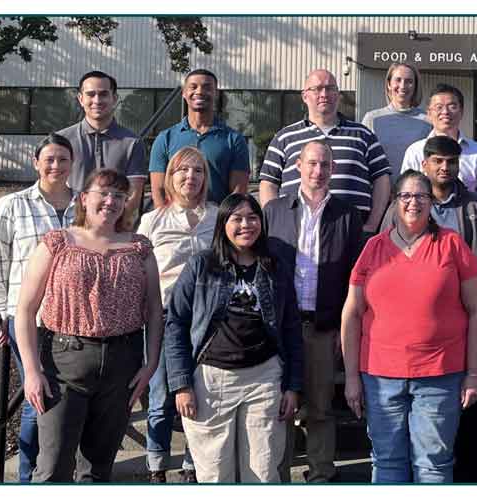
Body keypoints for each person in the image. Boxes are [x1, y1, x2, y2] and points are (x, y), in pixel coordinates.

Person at [341, 170, 477, 483]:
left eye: (421, 196)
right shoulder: (373, 249)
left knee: (433, 464)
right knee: (387, 462)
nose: (413, 202)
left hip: (439, 374)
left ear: (431, 202)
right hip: (381, 378)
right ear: (394, 202)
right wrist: (352, 377)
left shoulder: (452, 245)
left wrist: (474, 373)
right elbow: (352, 314)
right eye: (405, 196)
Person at [15, 168, 161, 482]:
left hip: (123, 363)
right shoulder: (57, 243)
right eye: (103, 193)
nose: (111, 201)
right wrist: (31, 371)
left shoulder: (140, 248)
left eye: (119, 196)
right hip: (65, 363)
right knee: (52, 467)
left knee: (98, 469)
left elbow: (154, 310)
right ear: (84, 198)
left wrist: (151, 364)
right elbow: (25, 310)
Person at [382, 136, 477, 481]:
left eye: (450, 161)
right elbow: (383, 258)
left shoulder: (476, 207)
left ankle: (465, 476)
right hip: (414, 327)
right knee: (416, 410)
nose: (444, 167)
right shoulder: (404, 207)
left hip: (463, 321)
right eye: (437, 161)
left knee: (463, 401)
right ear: (425, 164)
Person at [165, 193, 303, 483]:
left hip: (264, 378)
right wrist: (181, 384)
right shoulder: (201, 264)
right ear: (222, 224)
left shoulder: (274, 266)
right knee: (215, 474)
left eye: (252, 218)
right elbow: (176, 322)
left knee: (263, 472)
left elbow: (291, 328)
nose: (245, 225)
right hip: (212, 380)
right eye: (236, 218)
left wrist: (292, 385)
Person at [264, 141, 364, 483]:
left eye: (324, 164)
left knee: (321, 407)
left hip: (323, 327)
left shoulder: (348, 215)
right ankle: (277, 476)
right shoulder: (274, 211)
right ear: (298, 167)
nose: (318, 171)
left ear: (332, 169)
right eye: (311, 164)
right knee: (280, 408)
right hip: (278, 329)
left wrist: (343, 327)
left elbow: (355, 275)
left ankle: (321, 475)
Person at [0, 133, 77, 482]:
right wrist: (4, 312)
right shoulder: (13, 204)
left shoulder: (85, 206)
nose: (56, 166)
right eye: (49, 159)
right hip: (30, 322)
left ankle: (61, 470)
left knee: (67, 401)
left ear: (72, 164)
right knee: (39, 399)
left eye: (63, 159)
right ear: (36, 163)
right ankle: (28, 477)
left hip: (75, 324)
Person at [137, 146, 218, 483]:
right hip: (164, 317)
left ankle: (191, 463)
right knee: (160, 397)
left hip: (208, 320)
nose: (190, 177)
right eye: (182, 171)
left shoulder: (219, 216)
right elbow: (137, 273)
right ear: (170, 177)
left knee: (200, 394)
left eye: (197, 170)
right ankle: (156, 466)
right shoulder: (152, 220)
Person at [260, 69, 391, 237]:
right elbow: (268, 183)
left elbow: (382, 179)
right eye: (317, 89)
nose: (324, 94)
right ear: (305, 96)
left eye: (330, 88)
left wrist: (372, 225)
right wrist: (275, 223)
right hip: (296, 232)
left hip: (352, 234)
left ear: (338, 95)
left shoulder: (363, 135)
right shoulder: (284, 137)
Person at [58, 71, 146, 229]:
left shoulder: (132, 143)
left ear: (115, 98)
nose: (97, 100)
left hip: (114, 230)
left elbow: (133, 194)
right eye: (91, 94)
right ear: (80, 98)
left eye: (104, 94)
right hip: (70, 228)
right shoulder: (62, 140)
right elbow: (53, 186)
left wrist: (111, 226)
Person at [150, 69, 250, 207]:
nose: (199, 91)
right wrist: (164, 220)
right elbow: (158, 190)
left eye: (207, 87)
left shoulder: (234, 139)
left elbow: (238, 192)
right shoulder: (165, 138)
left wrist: (224, 222)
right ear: (184, 93)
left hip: (215, 222)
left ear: (216, 94)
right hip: (175, 221)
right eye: (193, 87)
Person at [400, 84, 477, 201]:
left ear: (461, 112)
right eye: (439, 107)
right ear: (429, 113)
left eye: (452, 106)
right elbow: (405, 196)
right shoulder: (415, 151)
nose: (445, 112)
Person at [361, 63, 432, 176]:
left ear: (415, 86)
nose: (403, 85)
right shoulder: (372, 119)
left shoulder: (428, 121)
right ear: (389, 84)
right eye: (398, 80)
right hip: (379, 190)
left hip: (415, 191)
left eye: (409, 81)